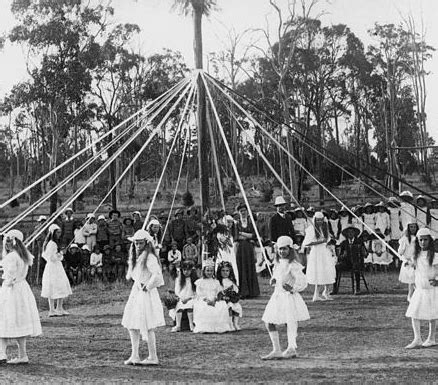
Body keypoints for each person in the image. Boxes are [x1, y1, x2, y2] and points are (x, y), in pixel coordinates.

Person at [261, 236, 309, 360]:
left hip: (288, 297)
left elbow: (303, 282)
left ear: (290, 250)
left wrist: (293, 288)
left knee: (290, 322)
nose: (282, 252)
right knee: (269, 321)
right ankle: (276, 349)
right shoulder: (277, 263)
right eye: (280, 249)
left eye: (285, 249)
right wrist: (274, 280)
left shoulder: (293, 265)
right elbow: (278, 277)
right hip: (277, 296)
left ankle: (291, 348)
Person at [121, 229, 165, 365]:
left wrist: (148, 286)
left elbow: (157, 274)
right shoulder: (137, 256)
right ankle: (135, 355)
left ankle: (153, 357)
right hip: (136, 292)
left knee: (148, 324)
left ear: (146, 243)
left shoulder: (150, 256)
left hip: (146, 293)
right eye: (136, 243)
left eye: (140, 243)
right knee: (131, 323)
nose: (138, 246)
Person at [0, 230, 42, 364]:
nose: (5, 245)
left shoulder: (11, 256)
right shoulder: (23, 255)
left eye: (7, 242)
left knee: (5, 318)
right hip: (22, 289)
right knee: (18, 320)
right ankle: (21, 355)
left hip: (12, 290)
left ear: (13, 242)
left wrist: (6, 282)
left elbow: (10, 276)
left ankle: (2, 354)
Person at [405, 228, 438, 349]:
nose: (423, 242)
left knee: (432, 314)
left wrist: (437, 281)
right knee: (414, 313)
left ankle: (431, 338)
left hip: (432, 289)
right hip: (420, 290)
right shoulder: (416, 256)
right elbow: (413, 273)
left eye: (425, 240)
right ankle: (417, 338)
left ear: (430, 241)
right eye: (420, 240)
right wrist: (408, 265)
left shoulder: (435, 256)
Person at [303, 211, 336, 301]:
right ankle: (316, 294)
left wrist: (328, 245)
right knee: (318, 272)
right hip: (316, 252)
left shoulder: (325, 228)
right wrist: (320, 242)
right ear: (314, 220)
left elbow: (327, 240)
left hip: (325, 252)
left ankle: (326, 292)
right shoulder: (311, 229)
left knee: (328, 271)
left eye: (321, 220)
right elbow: (306, 243)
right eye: (318, 220)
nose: (319, 222)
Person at [192, 260, 232, 334]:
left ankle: (218, 327)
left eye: (211, 271)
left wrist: (215, 300)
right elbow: (200, 294)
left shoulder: (216, 282)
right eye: (207, 271)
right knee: (204, 306)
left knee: (221, 305)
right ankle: (204, 327)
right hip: (203, 299)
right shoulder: (200, 282)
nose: (209, 273)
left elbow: (218, 292)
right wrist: (207, 301)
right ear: (204, 271)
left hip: (214, 299)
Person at [41, 224, 73, 317]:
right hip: (53, 267)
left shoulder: (52, 243)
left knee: (60, 285)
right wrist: (61, 254)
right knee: (53, 286)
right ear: (53, 233)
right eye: (58, 232)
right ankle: (52, 310)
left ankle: (59, 308)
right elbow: (52, 257)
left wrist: (59, 254)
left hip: (56, 266)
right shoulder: (52, 243)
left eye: (60, 232)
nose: (60, 234)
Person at [235, 203, 260, 299]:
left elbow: (254, 235)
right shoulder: (236, 223)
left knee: (250, 266)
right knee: (241, 267)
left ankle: (252, 291)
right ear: (238, 212)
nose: (243, 212)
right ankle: (243, 291)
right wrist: (247, 235)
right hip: (240, 248)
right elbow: (237, 236)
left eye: (244, 210)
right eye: (241, 211)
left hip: (249, 247)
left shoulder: (251, 222)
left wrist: (243, 233)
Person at [337, 225, 368, 295]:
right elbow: (339, 256)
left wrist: (364, 253)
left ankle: (357, 288)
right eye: (349, 232)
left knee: (356, 267)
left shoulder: (359, 242)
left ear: (355, 233)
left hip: (358, 262)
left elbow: (366, 254)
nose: (350, 234)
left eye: (352, 232)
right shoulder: (344, 243)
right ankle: (335, 289)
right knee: (336, 267)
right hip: (347, 263)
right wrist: (342, 256)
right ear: (346, 234)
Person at [170, 260, 196, 332]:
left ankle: (191, 324)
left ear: (191, 270)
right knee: (179, 307)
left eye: (188, 270)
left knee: (190, 306)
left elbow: (195, 292)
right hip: (181, 298)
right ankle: (178, 325)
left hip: (190, 298)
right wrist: (180, 298)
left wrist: (189, 298)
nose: (186, 272)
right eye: (184, 270)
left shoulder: (193, 280)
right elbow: (177, 290)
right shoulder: (179, 279)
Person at [217, 261, 242, 331]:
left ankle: (235, 323)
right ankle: (230, 323)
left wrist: (234, 296)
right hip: (222, 300)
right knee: (229, 307)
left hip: (231, 299)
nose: (225, 273)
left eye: (227, 271)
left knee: (238, 307)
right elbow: (218, 292)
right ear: (220, 271)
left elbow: (236, 290)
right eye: (223, 271)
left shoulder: (231, 281)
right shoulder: (219, 282)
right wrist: (223, 297)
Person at [398, 222, 419, 301]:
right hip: (408, 262)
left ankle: (415, 295)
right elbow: (400, 253)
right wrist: (405, 260)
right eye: (411, 227)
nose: (413, 229)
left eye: (414, 227)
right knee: (412, 279)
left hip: (417, 261)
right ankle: (410, 296)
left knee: (417, 279)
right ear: (408, 228)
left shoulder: (418, 238)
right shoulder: (405, 239)